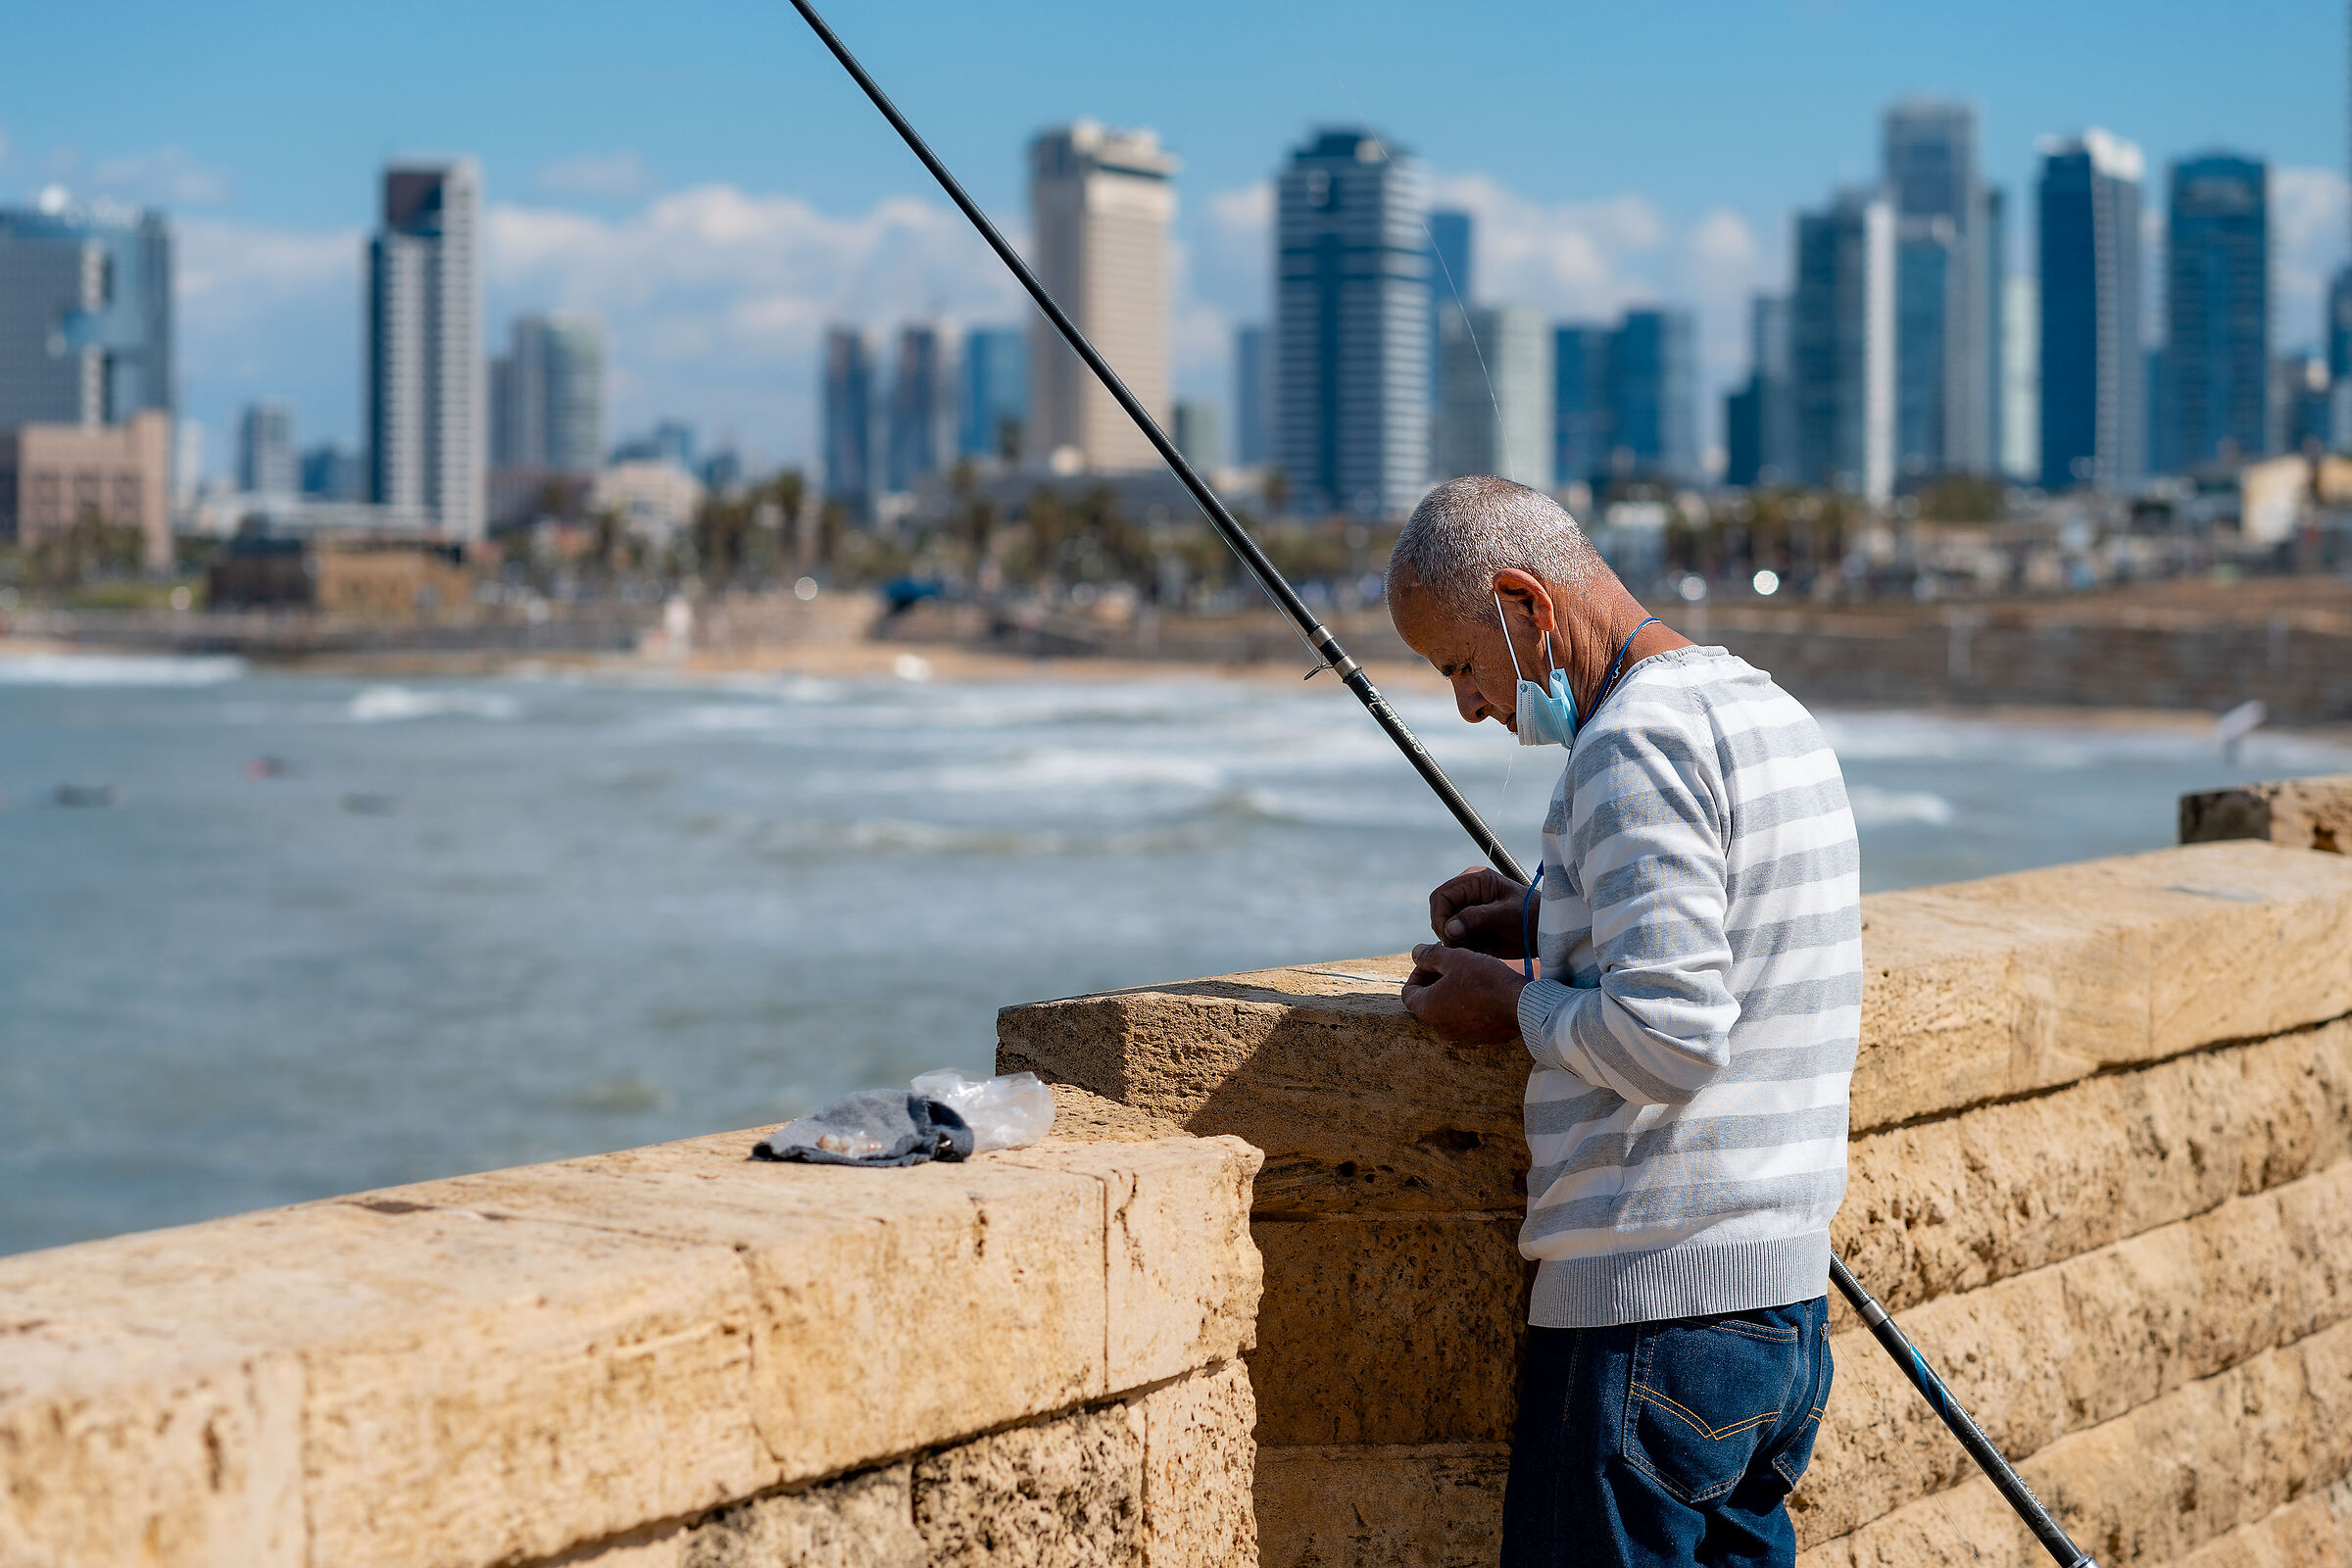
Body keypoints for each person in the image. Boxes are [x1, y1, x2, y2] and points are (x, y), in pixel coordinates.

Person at [1386, 476, 1861, 1568]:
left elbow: (1675, 1036)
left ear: (1527, 603)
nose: (1464, 704)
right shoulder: (1764, 710)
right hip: (1777, 1319)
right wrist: (1554, 911)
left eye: (1460, 663)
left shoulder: (1629, 744)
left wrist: (1509, 1003)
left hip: (1648, 1315)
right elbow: (1732, 917)